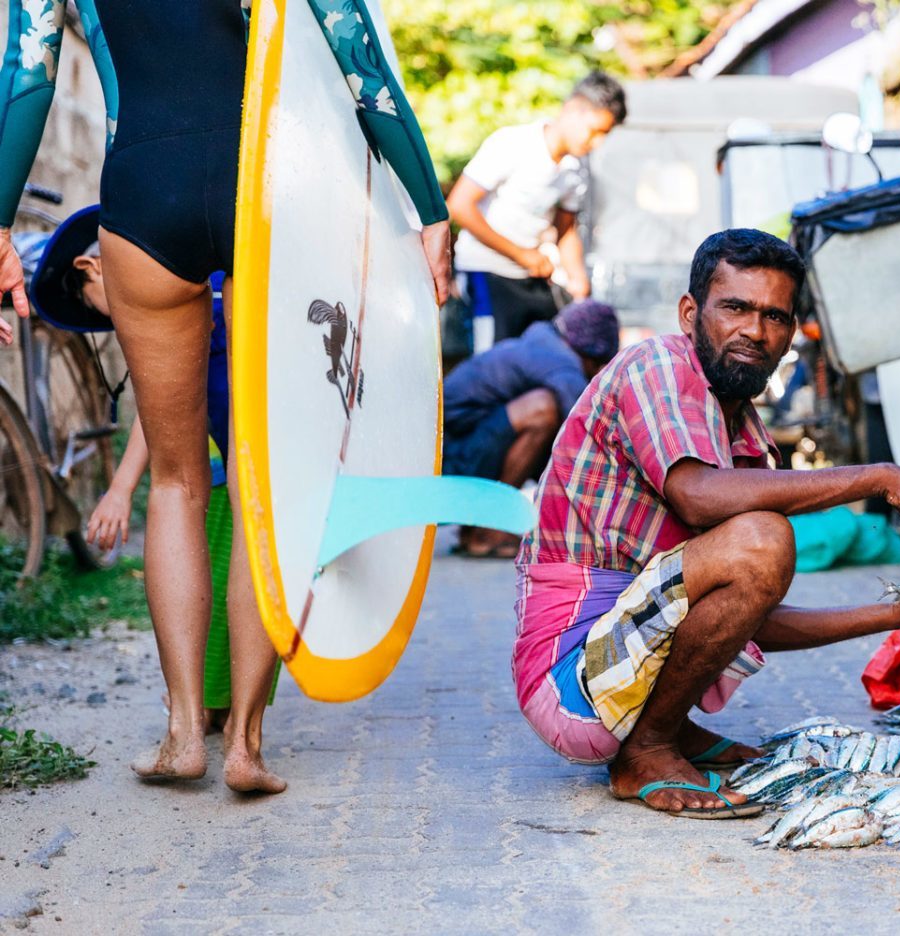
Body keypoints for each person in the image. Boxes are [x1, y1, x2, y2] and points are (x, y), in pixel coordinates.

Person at [0, 0, 452, 794]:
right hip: (267, 184)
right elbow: (361, 64)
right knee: (258, 484)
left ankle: (182, 735)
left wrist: (0, 224)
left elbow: (27, 74)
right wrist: (431, 209)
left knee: (175, 481)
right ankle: (244, 743)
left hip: (143, 193)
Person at [513, 229, 900, 818]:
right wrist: (880, 478)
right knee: (763, 537)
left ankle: (660, 728)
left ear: (791, 333)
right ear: (690, 313)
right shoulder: (657, 366)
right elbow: (696, 497)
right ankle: (645, 748)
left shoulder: (747, 436)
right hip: (570, 687)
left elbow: (743, 618)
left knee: (760, 544)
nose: (755, 330)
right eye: (736, 308)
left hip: (619, 669)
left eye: (775, 316)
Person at [31, 216, 281, 730]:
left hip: (242, 461)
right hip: (243, 460)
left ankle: (225, 714)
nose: (107, 319)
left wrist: (121, 490)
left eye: (88, 305)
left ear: (91, 267)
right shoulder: (206, 279)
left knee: (236, 570)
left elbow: (158, 407)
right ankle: (234, 718)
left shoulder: (188, 293)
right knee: (248, 570)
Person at [446, 72, 626, 350]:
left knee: (549, 355)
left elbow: (566, 230)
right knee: (493, 361)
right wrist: (521, 255)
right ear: (573, 109)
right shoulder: (513, 143)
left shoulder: (575, 169)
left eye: (605, 135)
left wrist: (578, 280)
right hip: (486, 271)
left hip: (534, 277)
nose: (597, 143)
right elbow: (459, 206)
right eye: (595, 131)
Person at [443, 298, 620, 558]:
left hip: (457, 450)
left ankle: (477, 530)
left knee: (554, 430)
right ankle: (489, 528)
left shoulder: (542, 342)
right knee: (544, 410)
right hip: (452, 461)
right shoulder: (561, 363)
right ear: (593, 357)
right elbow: (588, 432)